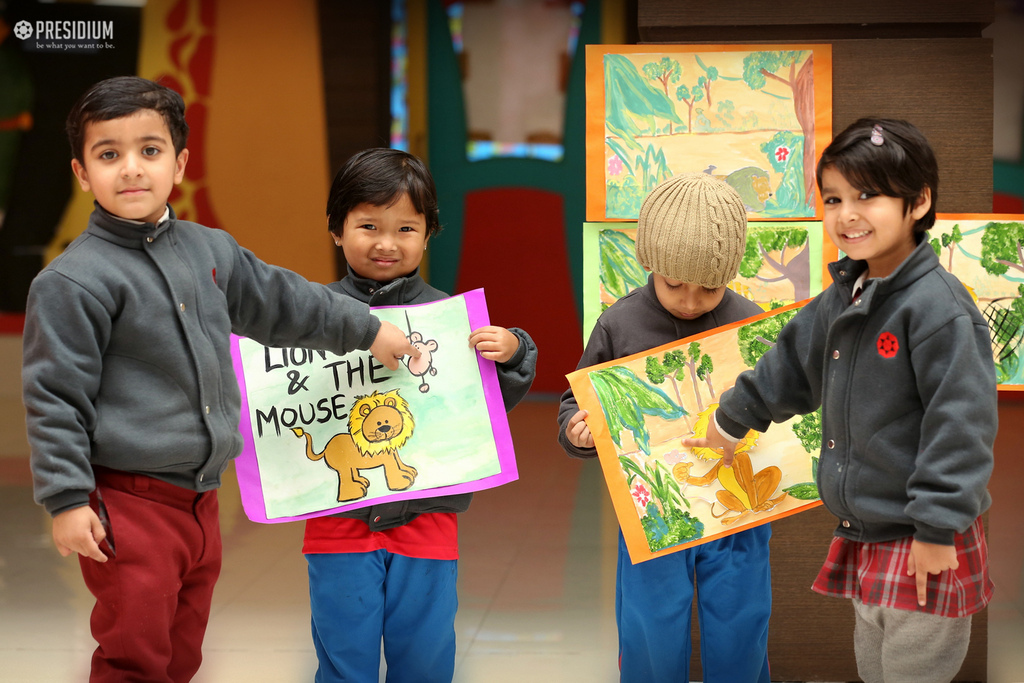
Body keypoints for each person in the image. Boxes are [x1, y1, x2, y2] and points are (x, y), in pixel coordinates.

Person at [22, 76, 419, 683]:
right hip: (128, 502)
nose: (131, 169)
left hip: (201, 500)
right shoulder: (73, 282)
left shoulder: (211, 249)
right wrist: (68, 498)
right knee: (135, 647)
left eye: (150, 151)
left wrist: (365, 328)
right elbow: (55, 399)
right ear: (81, 172)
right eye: (109, 155)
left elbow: (287, 302)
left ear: (179, 162)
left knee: (182, 648)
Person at [685, 118, 996, 683]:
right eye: (834, 198)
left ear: (919, 202)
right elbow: (791, 361)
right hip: (869, 528)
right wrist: (733, 418)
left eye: (868, 195)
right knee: (874, 667)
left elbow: (962, 426)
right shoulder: (846, 292)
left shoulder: (938, 310)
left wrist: (936, 530)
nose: (847, 214)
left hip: (923, 531)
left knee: (911, 672)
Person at [302, 147, 537, 683]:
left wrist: (516, 352)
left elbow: (483, 412)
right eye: (368, 225)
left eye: (406, 228)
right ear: (337, 229)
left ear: (429, 233)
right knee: (342, 653)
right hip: (337, 518)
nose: (386, 243)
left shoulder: (451, 321)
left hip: (428, 520)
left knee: (426, 654)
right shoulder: (308, 319)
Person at [557, 173, 771, 682]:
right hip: (650, 512)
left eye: (710, 287)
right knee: (650, 627)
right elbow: (575, 401)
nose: (691, 301)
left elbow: (781, 404)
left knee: (741, 627)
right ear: (649, 262)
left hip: (738, 508)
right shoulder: (620, 323)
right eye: (674, 283)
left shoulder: (753, 322)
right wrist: (576, 430)